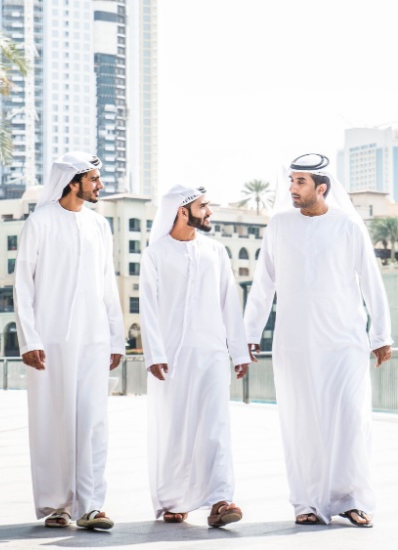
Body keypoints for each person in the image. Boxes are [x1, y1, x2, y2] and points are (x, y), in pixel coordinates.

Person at [243, 153, 392, 528]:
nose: (291, 188)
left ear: (321, 187)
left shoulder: (348, 225)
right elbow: (264, 284)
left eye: (300, 182)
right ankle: (306, 502)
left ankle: (352, 499)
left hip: (345, 340)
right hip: (294, 341)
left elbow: (371, 281)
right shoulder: (278, 225)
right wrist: (250, 333)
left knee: (349, 418)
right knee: (301, 420)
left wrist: (381, 335)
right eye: (291, 181)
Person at [13, 151, 124, 530]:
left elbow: (108, 284)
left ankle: (91, 505)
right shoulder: (40, 221)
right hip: (50, 340)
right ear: (72, 182)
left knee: (93, 420)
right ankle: (56, 505)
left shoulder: (99, 226)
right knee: (51, 421)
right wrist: (29, 339)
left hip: (94, 339)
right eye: (94, 178)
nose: (100, 185)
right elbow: (23, 284)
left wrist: (116, 338)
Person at [140, 185, 251, 528]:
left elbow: (228, 302)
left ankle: (221, 499)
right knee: (174, 427)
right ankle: (174, 500)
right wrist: (155, 353)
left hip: (213, 352)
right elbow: (148, 307)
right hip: (171, 358)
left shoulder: (216, 251)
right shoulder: (155, 254)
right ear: (183, 211)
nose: (209, 212)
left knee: (215, 426)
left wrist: (238, 350)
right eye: (204, 206)